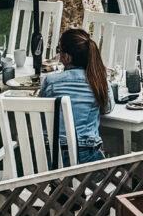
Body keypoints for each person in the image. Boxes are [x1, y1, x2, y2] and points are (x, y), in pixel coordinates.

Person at [39, 28, 113, 165]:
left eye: (59, 50)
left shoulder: (50, 81)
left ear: (67, 57)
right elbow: (107, 108)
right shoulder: (98, 81)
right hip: (86, 161)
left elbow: (41, 112)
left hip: (51, 160)